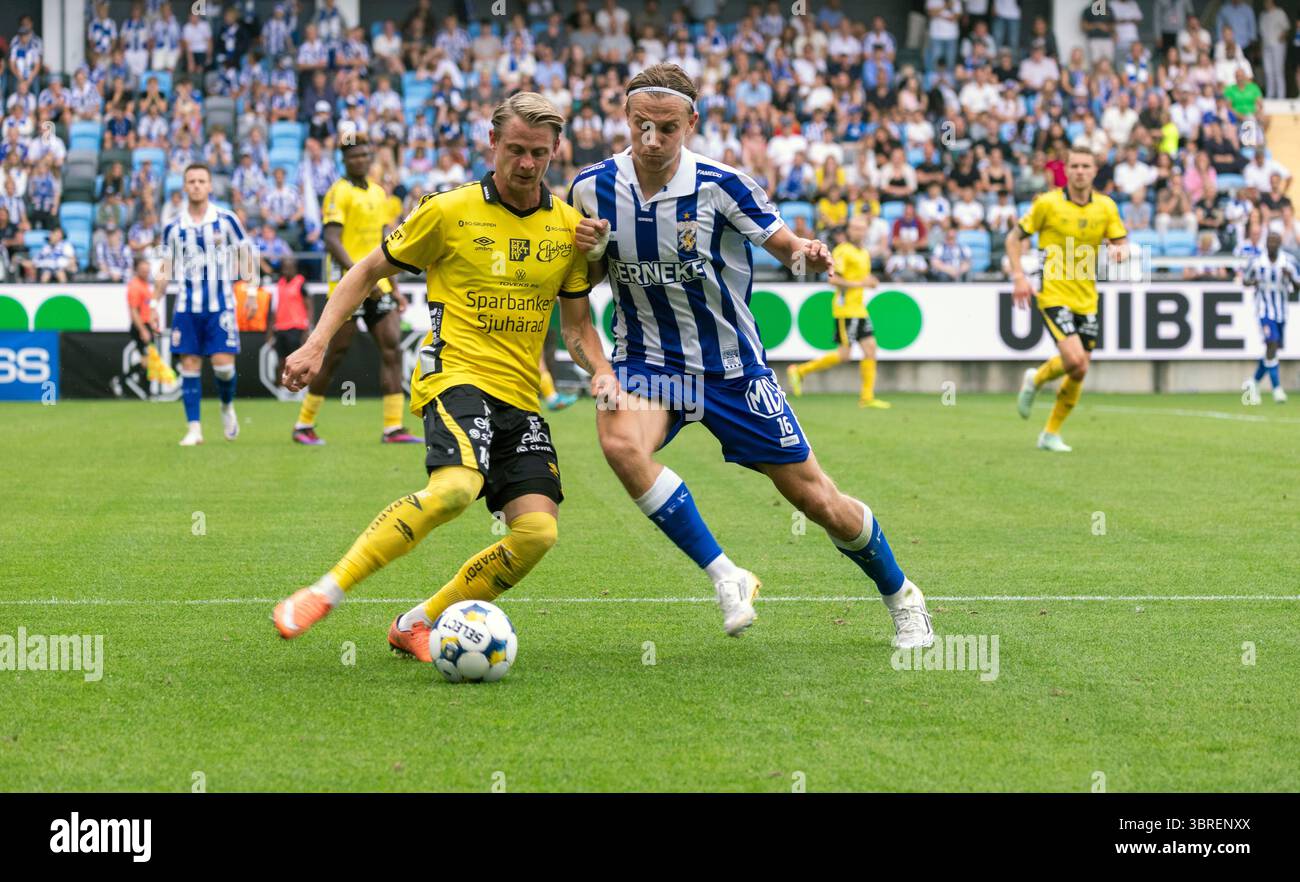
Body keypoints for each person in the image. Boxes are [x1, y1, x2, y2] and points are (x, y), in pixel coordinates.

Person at [567, 64, 933, 648]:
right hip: (649, 364)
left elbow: (783, 244)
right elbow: (576, 303)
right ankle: (727, 575)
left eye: (666, 127)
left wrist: (807, 254)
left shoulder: (722, 184)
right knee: (618, 443)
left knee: (819, 500)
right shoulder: (590, 189)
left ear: (692, 121)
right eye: (641, 126)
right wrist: (602, 369)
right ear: (626, 119)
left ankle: (902, 595)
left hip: (733, 370)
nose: (652, 140)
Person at [272, 93, 609, 662]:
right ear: (492, 142)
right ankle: (324, 591)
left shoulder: (570, 230)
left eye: (540, 154)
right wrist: (315, 342)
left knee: (537, 535)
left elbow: (576, 330)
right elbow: (365, 270)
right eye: (517, 150)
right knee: (454, 490)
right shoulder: (446, 211)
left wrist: (600, 371)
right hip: (454, 374)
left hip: (520, 396)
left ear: (555, 152)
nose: (527, 164)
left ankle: (416, 622)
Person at [291, 133, 419, 446]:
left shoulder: (378, 193)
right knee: (333, 356)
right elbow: (331, 240)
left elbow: (387, 246)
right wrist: (361, 277)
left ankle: (393, 427)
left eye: (364, 155)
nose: (359, 160)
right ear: (344, 161)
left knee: (393, 350)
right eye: (353, 156)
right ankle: (304, 424)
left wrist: (395, 287)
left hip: (381, 284)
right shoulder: (338, 193)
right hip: (347, 285)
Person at [1007, 148, 1129, 452]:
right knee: (1074, 359)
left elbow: (1120, 242)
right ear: (1066, 169)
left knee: (1080, 369)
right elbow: (1014, 238)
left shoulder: (1106, 207)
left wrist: (1120, 252)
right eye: (1074, 166)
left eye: (1086, 166)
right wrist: (1019, 277)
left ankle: (1049, 432)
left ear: (1095, 170)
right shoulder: (1047, 203)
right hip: (1054, 292)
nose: (1079, 171)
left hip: (1087, 296)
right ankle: (1036, 381)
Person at [157, 163, 256, 446]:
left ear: (210, 186)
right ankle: (194, 429)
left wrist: (250, 290)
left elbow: (246, 254)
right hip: (187, 308)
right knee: (189, 365)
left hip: (220, 306)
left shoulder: (226, 220)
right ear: (185, 187)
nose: (197, 185)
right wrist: (154, 303)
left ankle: (226, 406)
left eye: (202, 180)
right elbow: (165, 267)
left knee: (223, 367)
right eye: (192, 181)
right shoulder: (174, 228)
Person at [787, 213, 890, 409]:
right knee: (844, 355)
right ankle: (799, 371)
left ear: (866, 231)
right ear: (849, 230)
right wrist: (861, 283)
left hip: (860, 309)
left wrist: (870, 281)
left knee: (870, 349)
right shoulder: (843, 251)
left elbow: (862, 276)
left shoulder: (864, 253)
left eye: (861, 228)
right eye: (854, 228)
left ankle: (867, 397)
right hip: (845, 310)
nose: (858, 231)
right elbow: (833, 280)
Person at [1243, 232, 1298, 404]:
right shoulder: (1257, 262)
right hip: (1264, 310)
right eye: (1269, 241)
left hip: (1282, 311)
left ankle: (1253, 382)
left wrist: (1290, 278)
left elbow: (1298, 286)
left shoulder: (1288, 262)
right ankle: (1277, 389)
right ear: (1265, 243)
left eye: (1275, 241)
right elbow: (1245, 280)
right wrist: (1253, 283)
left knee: (1272, 349)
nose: (1272, 244)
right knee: (1271, 343)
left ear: (1280, 243)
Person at [110, 258, 160, 398]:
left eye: (147, 270)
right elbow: (133, 311)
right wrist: (143, 330)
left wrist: (153, 319)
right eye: (143, 270)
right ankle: (122, 381)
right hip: (140, 326)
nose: (146, 272)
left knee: (148, 361)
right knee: (148, 360)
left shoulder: (145, 285)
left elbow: (147, 307)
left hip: (146, 325)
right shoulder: (135, 286)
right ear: (137, 270)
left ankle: (145, 392)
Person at [267, 255, 310, 388]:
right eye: (284, 267)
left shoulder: (301, 283)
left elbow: (308, 305)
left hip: (296, 327)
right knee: (281, 361)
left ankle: (299, 386)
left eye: (288, 267)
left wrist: (307, 326)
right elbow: (274, 309)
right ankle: (281, 388)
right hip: (280, 328)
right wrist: (270, 332)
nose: (285, 270)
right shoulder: (278, 284)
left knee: (296, 362)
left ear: (294, 268)